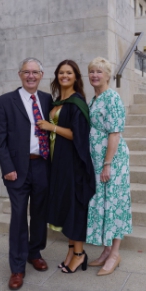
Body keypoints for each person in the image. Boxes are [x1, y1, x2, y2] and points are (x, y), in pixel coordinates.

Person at [0, 57, 52, 290]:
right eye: (26, 72)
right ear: (19, 74)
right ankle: (17, 268)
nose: (30, 76)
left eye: (35, 72)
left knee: (39, 213)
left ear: (41, 75)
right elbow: (0, 139)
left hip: (42, 165)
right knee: (18, 217)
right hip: (17, 169)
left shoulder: (47, 100)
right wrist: (7, 168)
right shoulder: (5, 101)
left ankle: (34, 252)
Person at [37, 60, 95, 274]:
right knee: (66, 207)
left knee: (75, 207)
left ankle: (79, 255)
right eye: (61, 72)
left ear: (76, 77)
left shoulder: (77, 102)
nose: (65, 76)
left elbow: (78, 135)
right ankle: (71, 251)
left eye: (69, 73)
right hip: (57, 163)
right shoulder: (56, 101)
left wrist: (51, 126)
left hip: (73, 164)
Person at [86, 56, 132, 276]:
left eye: (99, 72)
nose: (95, 75)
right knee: (104, 203)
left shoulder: (112, 98)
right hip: (98, 160)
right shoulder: (95, 99)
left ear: (107, 75)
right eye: (92, 71)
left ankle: (115, 254)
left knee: (114, 204)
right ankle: (106, 251)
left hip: (112, 160)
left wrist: (107, 164)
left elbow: (115, 133)